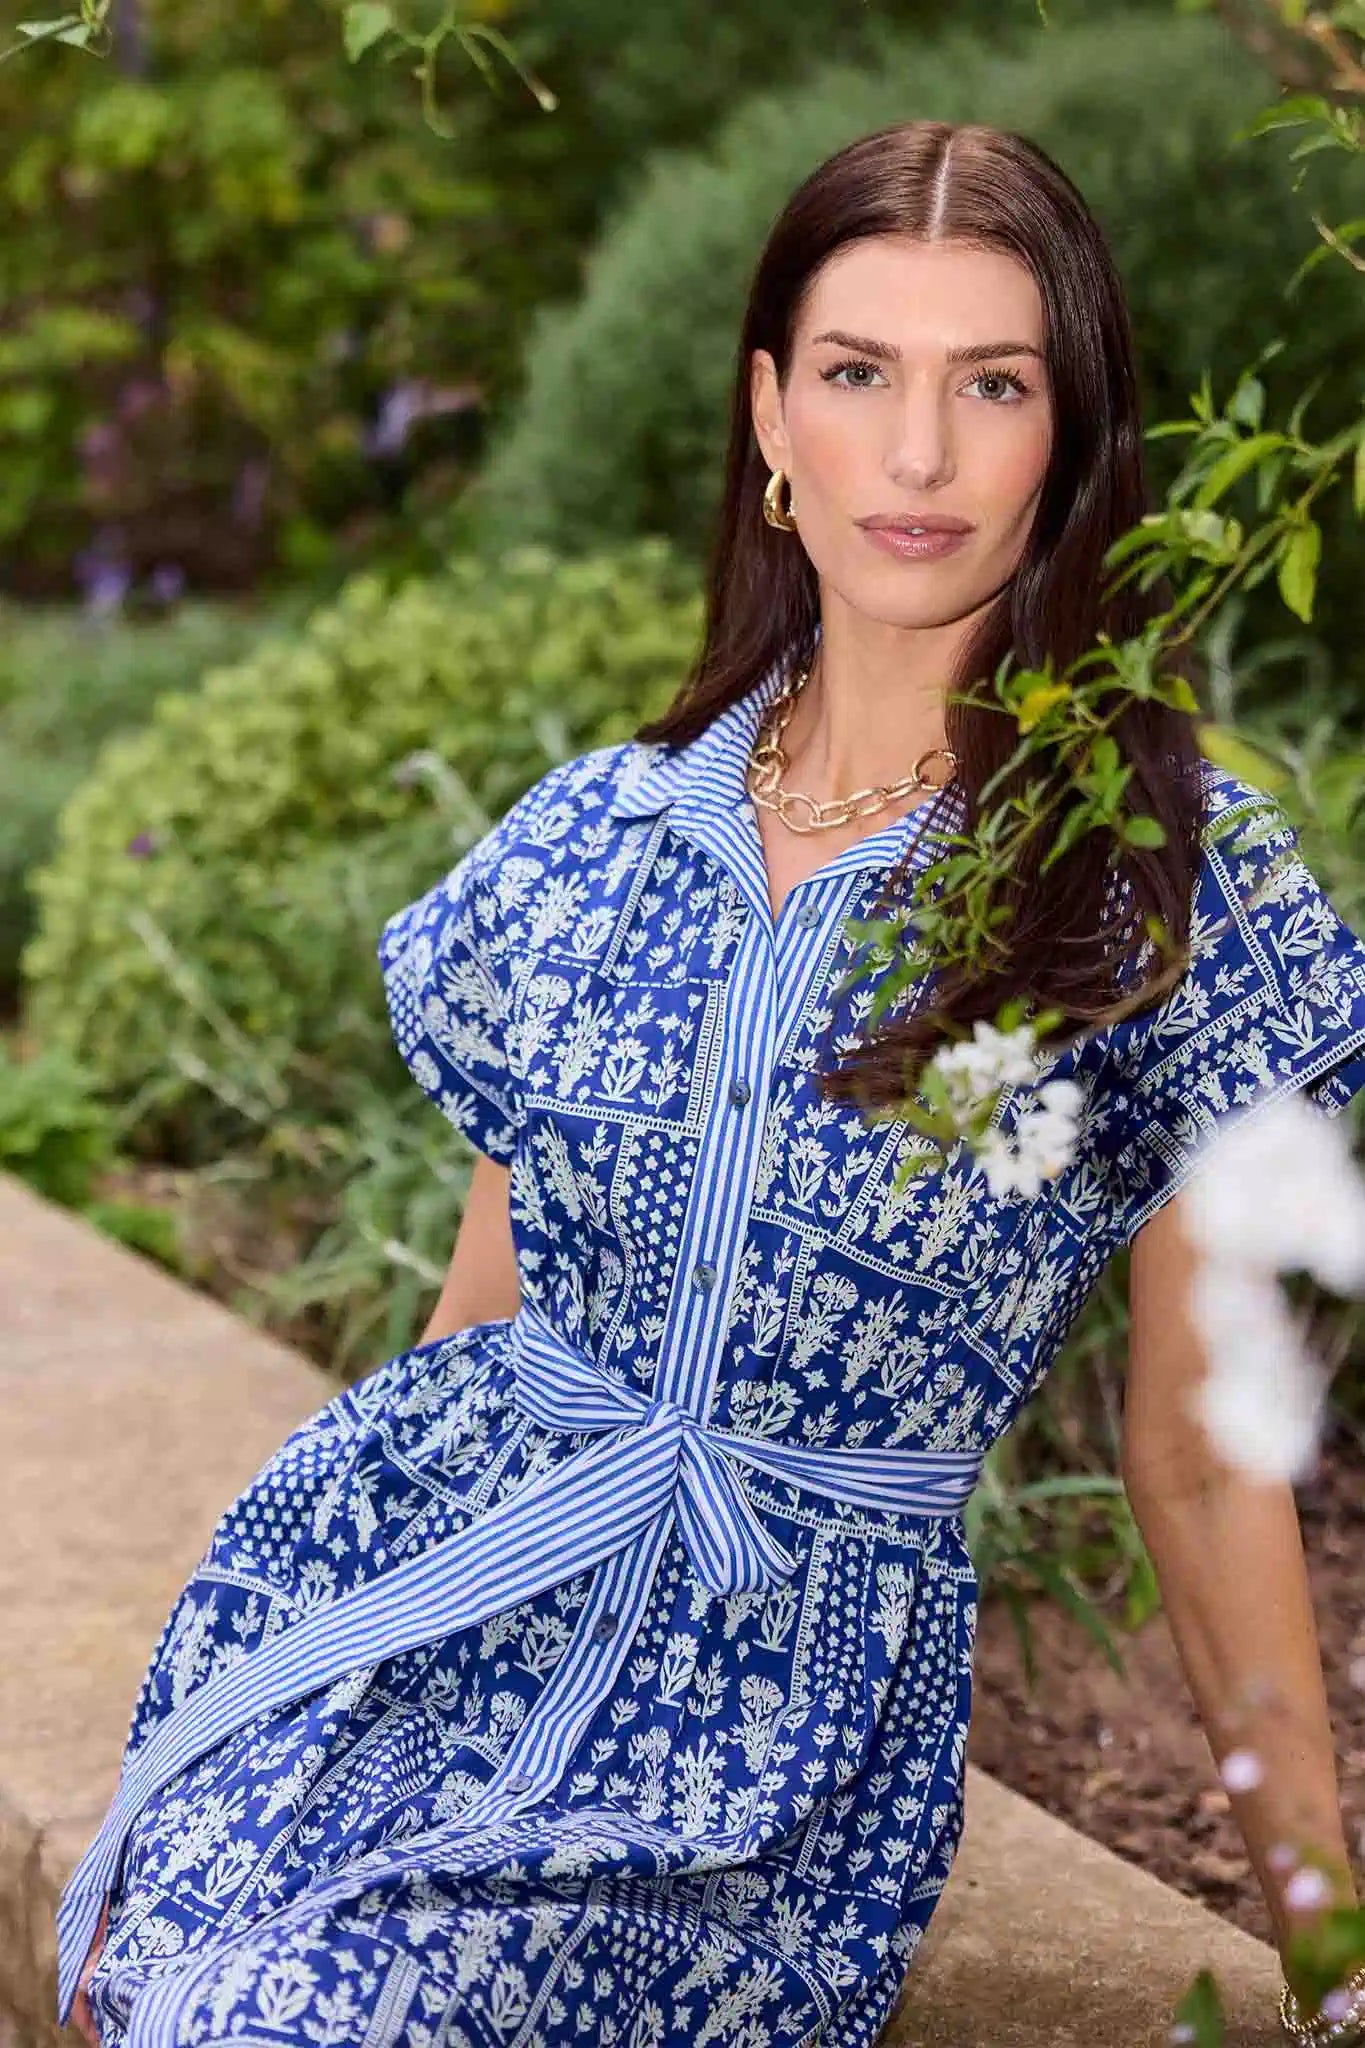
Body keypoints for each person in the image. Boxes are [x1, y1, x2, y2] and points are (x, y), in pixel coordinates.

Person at [62, 119, 1365, 2048]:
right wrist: (290, 1701)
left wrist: (1327, 1950)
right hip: (432, 1609)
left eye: (988, 385)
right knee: (177, 1977)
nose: (915, 459)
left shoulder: (1164, 871)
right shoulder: (586, 838)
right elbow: (479, 1327)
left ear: (1069, 441)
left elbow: (1197, 1450)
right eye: (858, 376)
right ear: (771, 416)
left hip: (758, 1733)